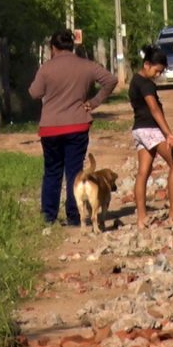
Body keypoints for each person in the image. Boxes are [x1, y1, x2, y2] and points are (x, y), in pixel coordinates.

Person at [29, 29, 117, 226]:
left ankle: (48, 217)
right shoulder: (87, 66)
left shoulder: (46, 68)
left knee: (52, 171)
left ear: (53, 48)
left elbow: (34, 93)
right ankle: (74, 216)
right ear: (72, 45)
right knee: (74, 172)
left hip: (50, 128)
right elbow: (111, 80)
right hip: (77, 126)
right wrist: (94, 102)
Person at [130, 45, 173, 229]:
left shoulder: (135, 80)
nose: (158, 75)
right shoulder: (146, 84)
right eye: (157, 71)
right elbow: (154, 109)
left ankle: (141, 217)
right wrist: (168, 133)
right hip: (150, 129)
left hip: (138, 130)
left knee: (143, 172)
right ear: (147, 64)